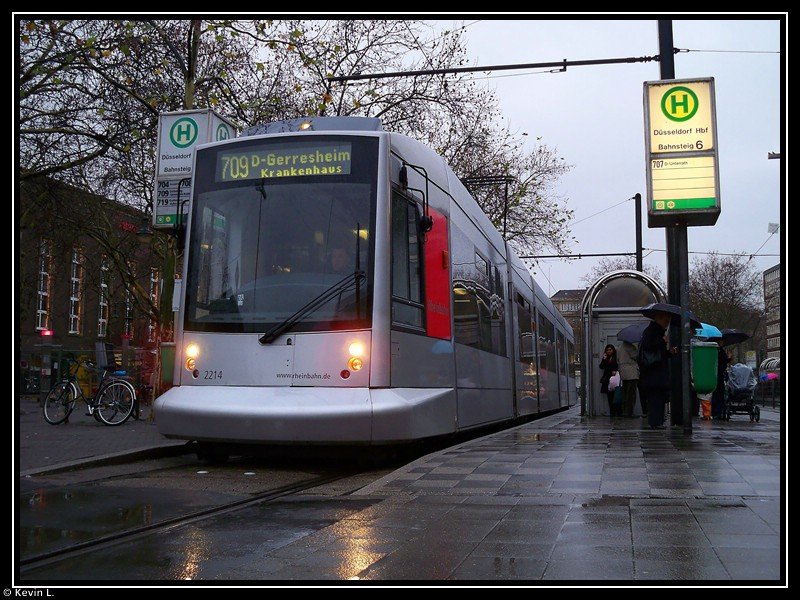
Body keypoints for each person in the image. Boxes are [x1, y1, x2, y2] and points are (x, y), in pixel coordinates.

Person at [638, 311, 678, 429]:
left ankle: (657, 421)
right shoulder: (653, 332)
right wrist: (663, 341)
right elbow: (650, 347)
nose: (667, 324)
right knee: (656, 397)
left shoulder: (654, 331)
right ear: (659, 319)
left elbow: (657, 352)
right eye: (666, 321)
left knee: (657, 397)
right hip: (654, 372)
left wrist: (668, 353)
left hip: (653, 372)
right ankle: (656, 422)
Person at [617, 340, 640, 418]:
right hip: (631, 373)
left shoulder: (620, 347)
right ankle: (630, 412)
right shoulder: (630, 346)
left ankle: (624, 411)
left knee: (625, 393)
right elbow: (636, 356)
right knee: (631, 394)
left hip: (623, 372)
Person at [711, 340, 731, 419]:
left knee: (716, 394)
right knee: (719, 394)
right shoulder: (720, 351)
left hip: (715, 374)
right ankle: (717, 412)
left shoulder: (716, 350)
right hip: (719, 375)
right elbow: (722, 361)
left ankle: (715, 412)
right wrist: (728, 358)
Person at [599, 344, 619, 417]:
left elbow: (618, 366)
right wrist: (604, 359)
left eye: (610, 350)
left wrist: (615, 371)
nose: (609, 351)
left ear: (613, 350)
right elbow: (601, 366)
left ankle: (618, 412)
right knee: (610, 397)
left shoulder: (616, 357)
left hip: (615, 379)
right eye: (607, 350)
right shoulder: (606, 358)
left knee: (616, 396)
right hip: (608, 380)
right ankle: (612, 412)